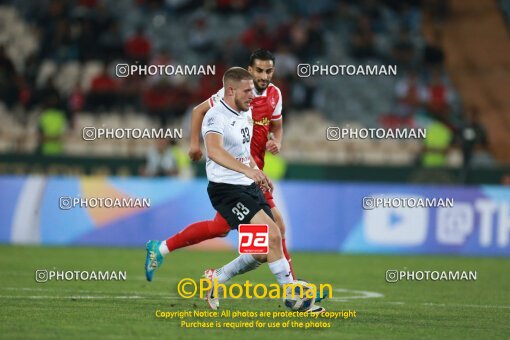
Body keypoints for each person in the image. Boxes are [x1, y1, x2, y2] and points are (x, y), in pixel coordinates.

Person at [146, 50, 300, 284]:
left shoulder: (274, 95)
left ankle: (171, 252)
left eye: (269, 71)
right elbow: (200, 112)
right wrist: (194, 145)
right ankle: (294, 288)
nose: (264, 75)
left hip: (251, 174)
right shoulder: (229, 97)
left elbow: (276, 126)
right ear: (249, 70)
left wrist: (276, 141)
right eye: (259, 70)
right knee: (275, 228)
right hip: (237, 178)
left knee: (225, 230)